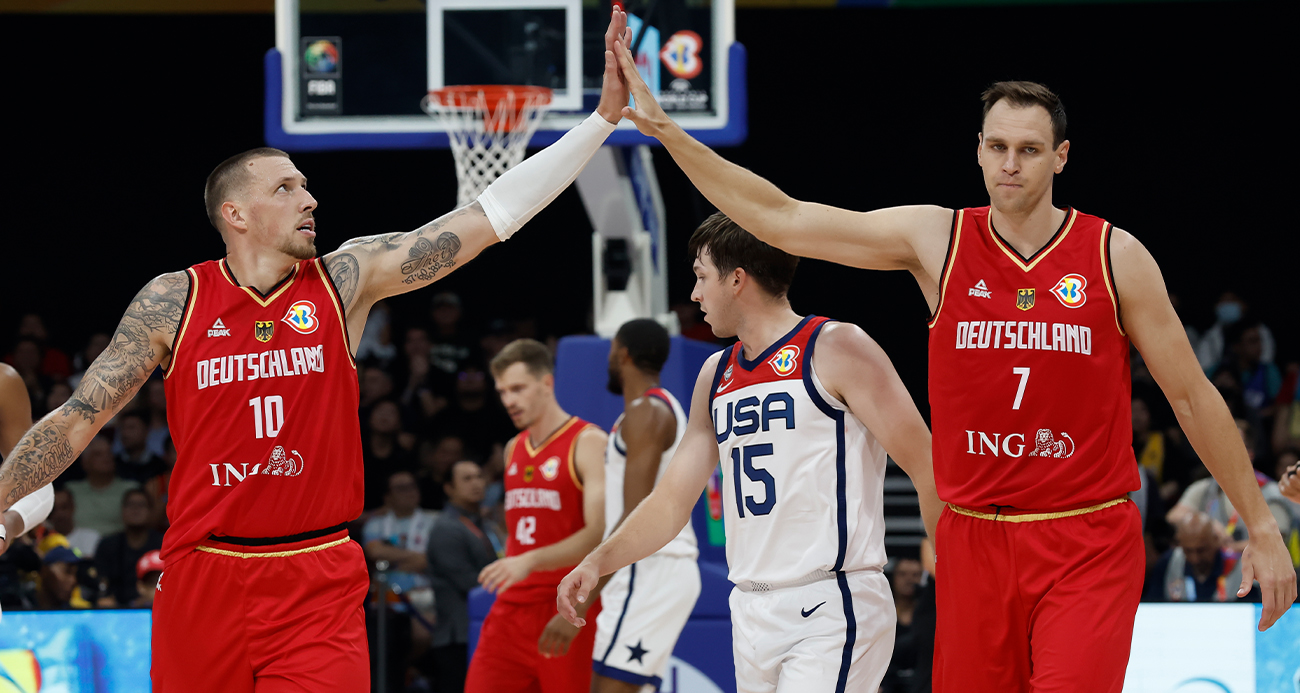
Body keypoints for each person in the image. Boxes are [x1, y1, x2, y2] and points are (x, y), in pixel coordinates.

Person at [605, 56, 1296, 690]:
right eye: (997, 147)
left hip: (1086, 537)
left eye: (1029, 150)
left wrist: (1261, 526)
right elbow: (782, 218)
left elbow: (1190, 395)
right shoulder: (937, 239)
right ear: (979, 149)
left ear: (1061, 156)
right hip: (972, 540)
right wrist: (665, 129)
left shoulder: (1115, 255)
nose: (1010, 164)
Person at [0, 10, 632, 690]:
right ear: (235, 214)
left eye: (304, 184)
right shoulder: (173, 300)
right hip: (203, 574)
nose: (310, 198)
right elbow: (79, 417)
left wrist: (600, 121)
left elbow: (486, 219)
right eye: (286, 188)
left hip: (317, 575)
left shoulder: (346, 280)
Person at [560, 214, 942, 691]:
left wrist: (955, 580)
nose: (694, 294)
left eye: (702, 277)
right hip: (749, 606)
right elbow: (671, 502)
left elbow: (927, 466)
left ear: (737, 279)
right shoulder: (714, 373)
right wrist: (598, 561)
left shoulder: (836, 346)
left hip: (832, 599)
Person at [465, 339, 608, 693]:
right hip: (511, 608)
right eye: (502, 392)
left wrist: (528, 561)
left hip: (564, 604)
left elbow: (598, 533)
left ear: (546, 383)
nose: (508, 400)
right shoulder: (513, 448)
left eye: (518, 389)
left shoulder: (588, 441)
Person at [590, 318, 700, 692]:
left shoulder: (646, 412)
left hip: (649, 568)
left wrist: (587, 590)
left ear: (622, 354)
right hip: (652, 568)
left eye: (611, 351)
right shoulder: (661, 408)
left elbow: (633, 513)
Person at [425, 459, 497, 693]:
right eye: (467, 479)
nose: (476, 483)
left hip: (483, 630)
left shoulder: (485, 524)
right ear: (449, 488)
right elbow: (470, 582)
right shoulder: (446, 528)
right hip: (458, 637)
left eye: (479, 476)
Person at [1144, 512, 1248, 603]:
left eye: (1201, 550)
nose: (1195, 558)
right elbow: (1153, 606)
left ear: (1216, 541)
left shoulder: (1239, 569)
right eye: (1187, 551)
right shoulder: (1167, 563)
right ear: (1179, 544)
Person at [94, 488, 165, 607]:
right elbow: (101, 583)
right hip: (115, 609)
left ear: (151, 511)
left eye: (141, 505)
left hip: (152, 605)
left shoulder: (163, 544)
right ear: (122, 510)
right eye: (131, 505)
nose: (136, 510)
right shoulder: (107, 545)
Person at [63, 435, 137, 536]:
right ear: (85, 462)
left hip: (119, 544)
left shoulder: (130, 489)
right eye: (98, 454)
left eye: (109, 453)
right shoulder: (71, 491)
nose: (106, 457)